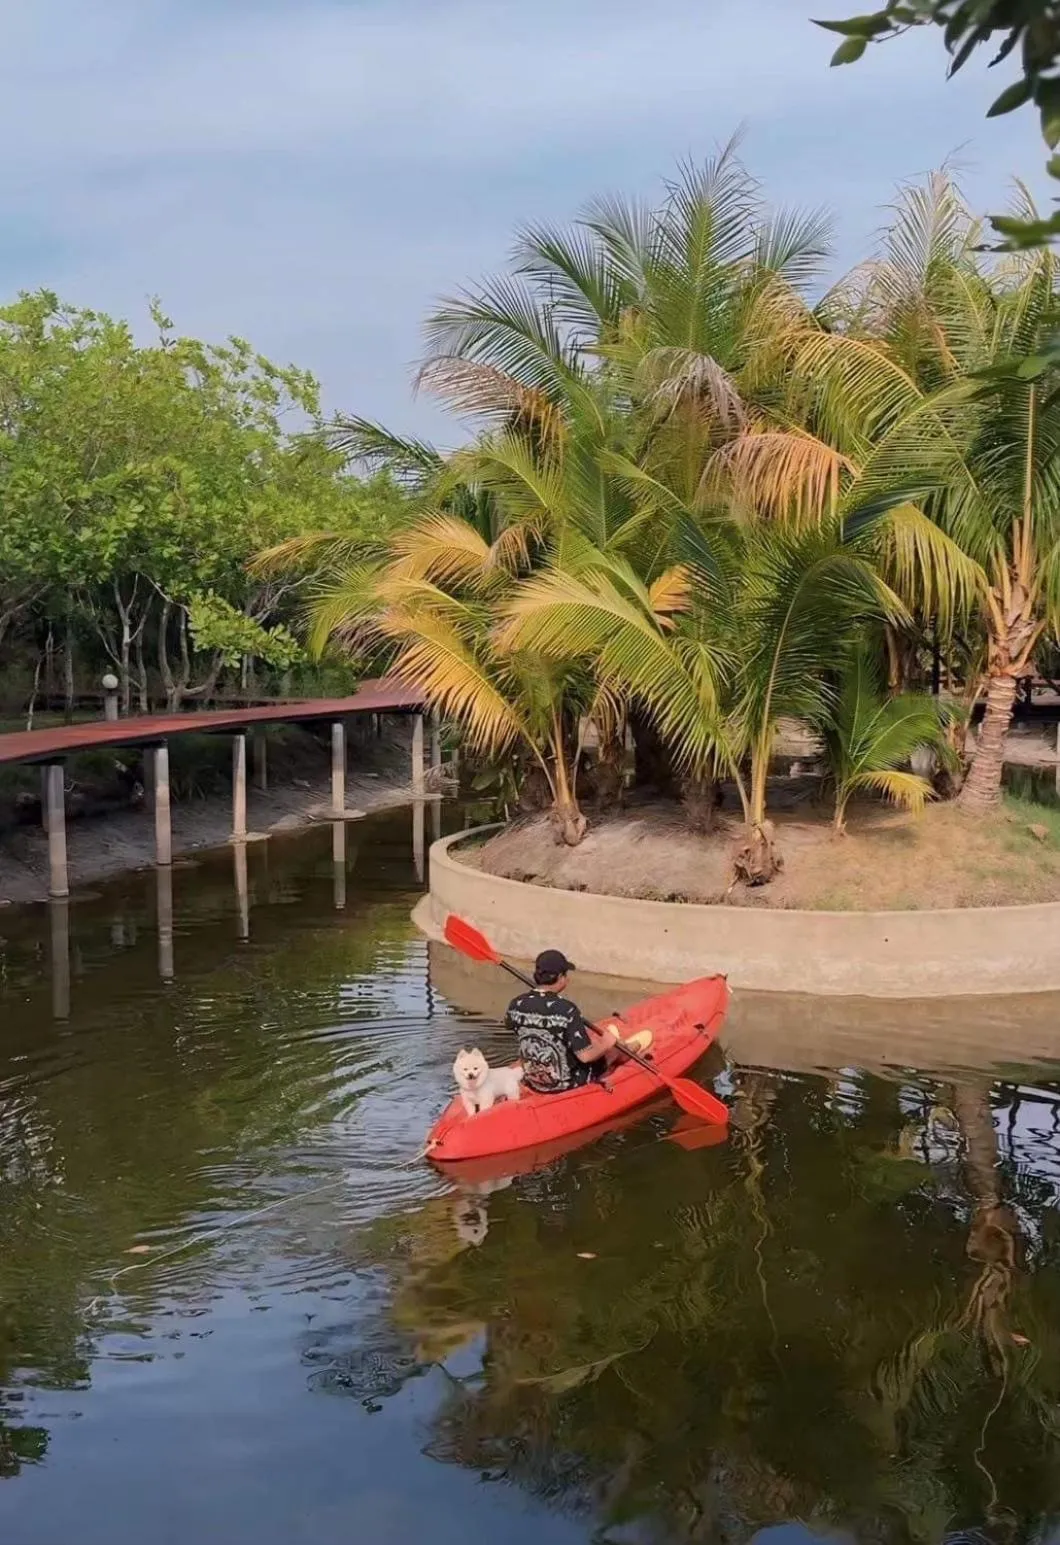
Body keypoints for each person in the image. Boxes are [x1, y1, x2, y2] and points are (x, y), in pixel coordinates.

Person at [505, 949, 618, 1095]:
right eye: (566, 974)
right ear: (560, 977)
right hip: (566, 1084)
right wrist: (607, 1043)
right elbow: (585, 1056)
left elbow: (509, 1025)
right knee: (614, 1050)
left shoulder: (516, 1004)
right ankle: (635, 1052)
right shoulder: (567, 1009)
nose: (567, 978)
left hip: (532, 1080)